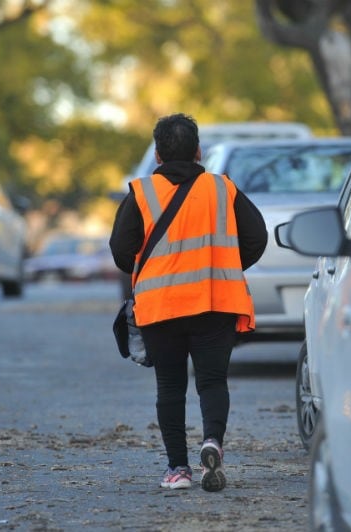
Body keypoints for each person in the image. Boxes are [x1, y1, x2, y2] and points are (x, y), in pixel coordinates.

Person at [109, 113, 267, 492]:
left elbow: (120, 251)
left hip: (161, 307)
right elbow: (257, 237)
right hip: (215, 301)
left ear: (158, 155)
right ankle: (212, 441)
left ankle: (178, 469)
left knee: (170, 387)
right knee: (212, 382)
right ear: (199, 152)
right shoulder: (221, 187)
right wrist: (223, 264)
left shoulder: (142, 192)